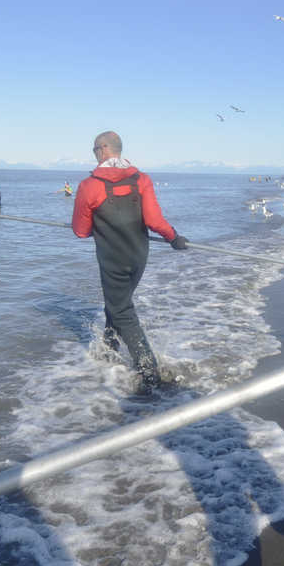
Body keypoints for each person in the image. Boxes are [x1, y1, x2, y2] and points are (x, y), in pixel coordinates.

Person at [71, 130, 188, 395]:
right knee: (118, 302)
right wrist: (174, 238)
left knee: (122, 310)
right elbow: (155, 221)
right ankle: (108, 350)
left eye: (94, 151)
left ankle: (150, 374)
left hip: (113, 260)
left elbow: (80, 231)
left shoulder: (90, 186)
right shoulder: (141, 179)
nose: (94, 155)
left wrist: (95, 222)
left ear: (102, 149)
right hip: (139, 257)